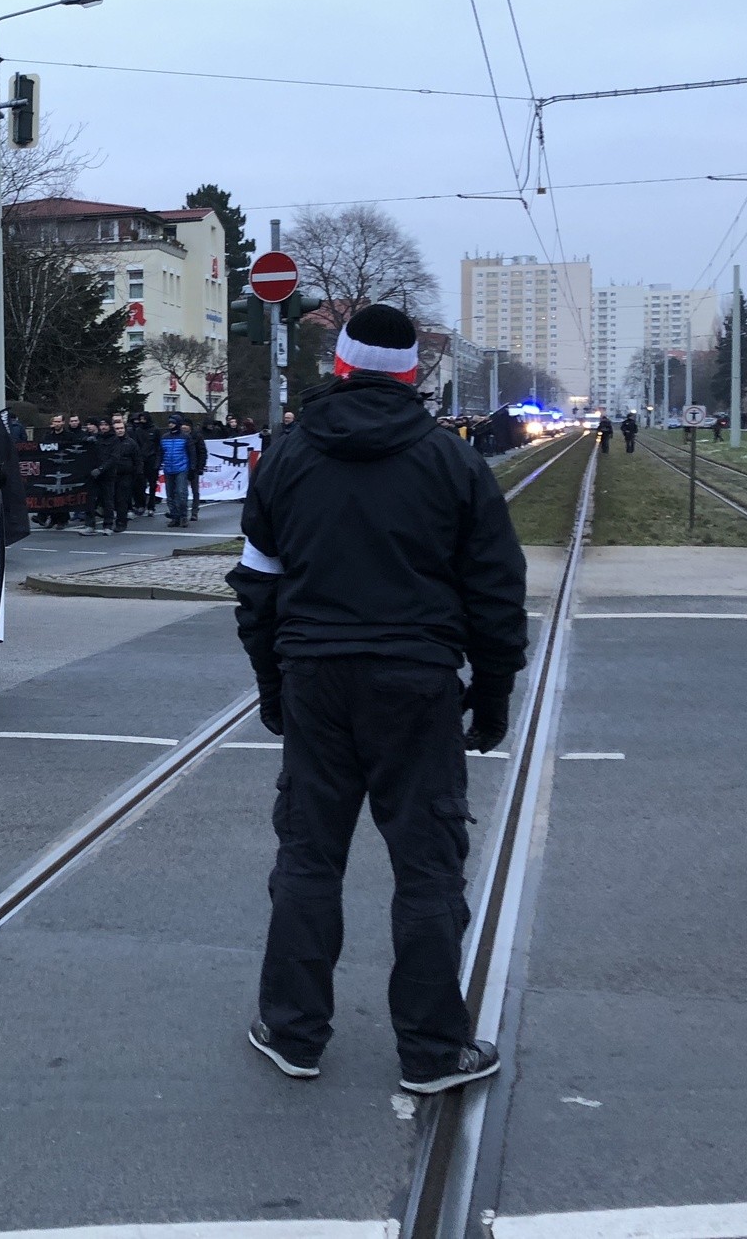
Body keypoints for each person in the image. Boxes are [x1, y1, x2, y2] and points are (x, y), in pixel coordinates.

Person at [228, 305, 525, 1094]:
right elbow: (496, 593)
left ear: (342, 366)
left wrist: (272, 685)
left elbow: (256, 589)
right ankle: (432, 1051)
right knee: (428, 868)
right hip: (418, 681)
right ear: (410, 374)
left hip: (316, 678)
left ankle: (293, 1031)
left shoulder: (285, 457)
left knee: (307, 857)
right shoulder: (450, 461)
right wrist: (491, 697)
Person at [160, 415, 196, 527]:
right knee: (170, 494)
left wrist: (192, 468)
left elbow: (191, 453)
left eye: (173, 422)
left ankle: (183, 515)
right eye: (169, 422)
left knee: (181, 493)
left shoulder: (186, 437)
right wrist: (157, 464)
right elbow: (160, 452)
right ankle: (174, 516)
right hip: (168, 468)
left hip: (182, 468)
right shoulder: (164, 437)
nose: (170, 424)